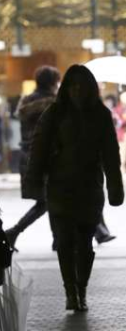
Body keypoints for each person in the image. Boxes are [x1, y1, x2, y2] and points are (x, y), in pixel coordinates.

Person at [24, 65, 123, 312]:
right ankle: (71, 291)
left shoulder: (100, 114)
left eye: (82, 86)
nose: (77, 90)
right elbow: (39, 147)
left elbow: (111, 153)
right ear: (66, 88)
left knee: (85, 242)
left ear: (90, 88)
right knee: (65, 241)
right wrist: (34, 179)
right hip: (60, 186)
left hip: (90, 187)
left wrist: (115, 185)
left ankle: (82, 289)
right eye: (73, 85)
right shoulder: (55, 113)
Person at [5, 66, 60, 250]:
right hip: (48, 157)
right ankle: (13, 232)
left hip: (28, 156)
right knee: (48, 200)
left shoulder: (26, 102)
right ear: (53, 82)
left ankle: (57, 240)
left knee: (50, 199)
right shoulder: (56, 103)